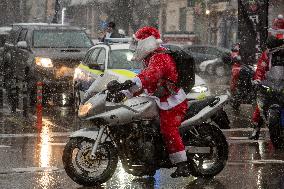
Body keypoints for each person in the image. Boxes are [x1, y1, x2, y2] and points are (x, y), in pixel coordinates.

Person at [121, 26, 191, 178]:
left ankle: (182, 164)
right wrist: (125, 92)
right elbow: (145, 81)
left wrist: (131, 83)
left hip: (171, 101)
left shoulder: (160, 57)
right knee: (145, 125)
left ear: (147, 42)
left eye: (138, 42)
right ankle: (150, 161)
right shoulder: (151, 57)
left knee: (167, 129)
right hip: (159, 98)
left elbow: (149, 77)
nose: (135, 45)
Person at [249, 14, 284, 140]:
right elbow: (261, 68)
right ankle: (256, 128)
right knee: (261, 105)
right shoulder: (267, 54)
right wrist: (258, 79)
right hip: (271, 82)